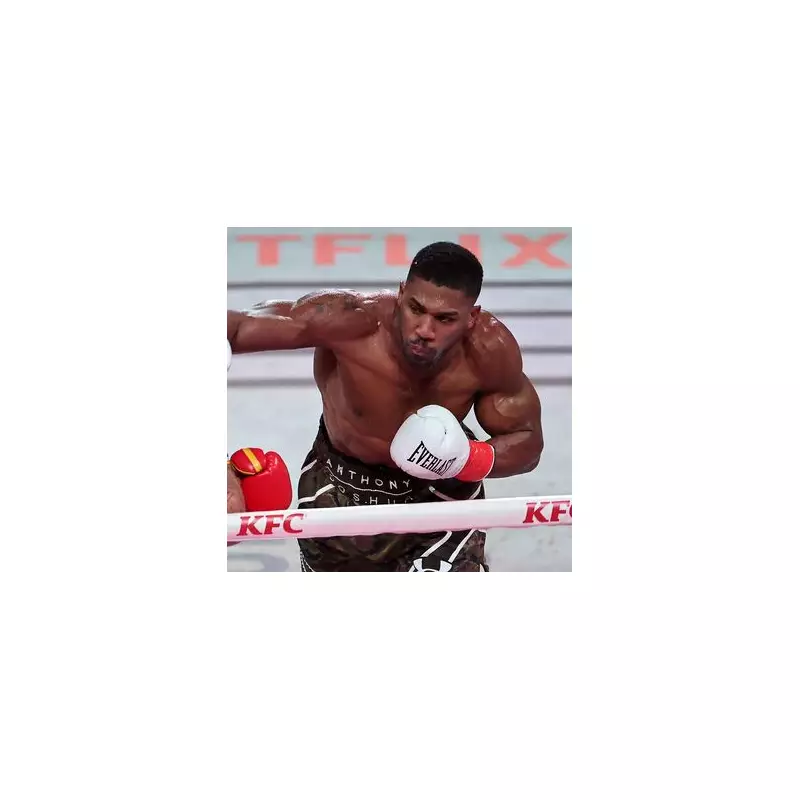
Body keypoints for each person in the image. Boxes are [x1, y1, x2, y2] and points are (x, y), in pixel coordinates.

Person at [226, 242, 544, 571]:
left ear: (471, 318)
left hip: (439, 496)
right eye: (416, 309)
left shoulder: (488, 351)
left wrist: (467, 460)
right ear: (402, 293)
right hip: (337, 488)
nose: (425, 330)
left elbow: (527, 442)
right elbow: (235, 328)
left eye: (445, 318)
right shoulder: (349, 321)